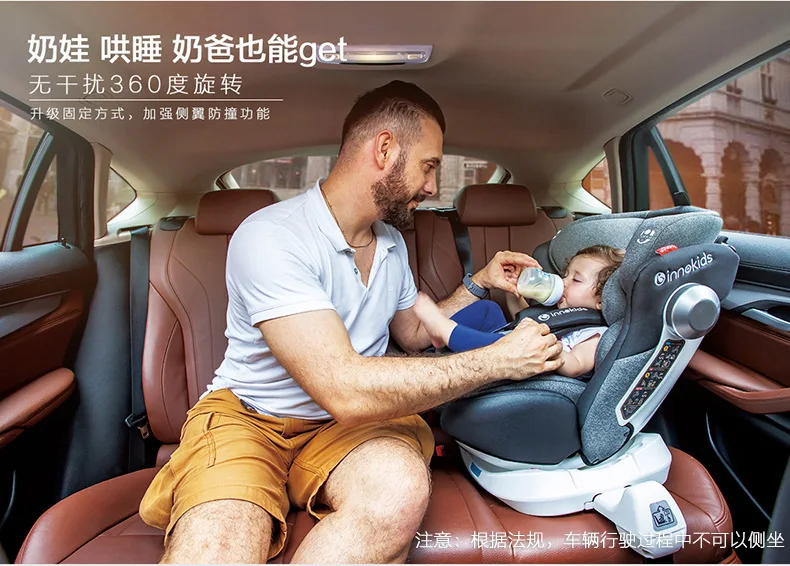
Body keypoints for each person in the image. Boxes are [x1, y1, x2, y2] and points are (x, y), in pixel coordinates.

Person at [139, 80, 564, 564]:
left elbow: (413, 333)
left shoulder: (390, 243)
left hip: (351, 429)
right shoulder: (272, 237)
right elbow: (343, 388)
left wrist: (480, 282)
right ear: (385, 149)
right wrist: (497, 360)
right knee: (217, 545)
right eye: (428, 166)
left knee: (396, 491)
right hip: (251, 418)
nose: (431, 187)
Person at [413, 245, 625, 378]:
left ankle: (445, 330)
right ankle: (440, 339)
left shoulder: (596, 334)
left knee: (508, 343)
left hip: (529, 367)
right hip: (518, 343)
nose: (563, 282)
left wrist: (550, 347)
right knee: (489, 309)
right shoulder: (565, 314)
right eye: (565, 275)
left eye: (576, 280)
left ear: (602, 299)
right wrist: (514, 293)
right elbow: (526, 318)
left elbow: (576, 365)